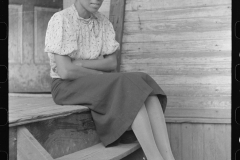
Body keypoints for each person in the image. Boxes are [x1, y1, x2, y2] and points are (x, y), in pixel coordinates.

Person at [45, 0, 176, 160]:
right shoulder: (61, 19)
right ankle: (154, 157)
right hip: (65, 87)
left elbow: (111, 63)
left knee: (142, 79)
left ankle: (169, 157)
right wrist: (99, 73)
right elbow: (65, 71)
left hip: (91, 82)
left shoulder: (103, 22)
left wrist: (81, 63)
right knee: (124, 84)